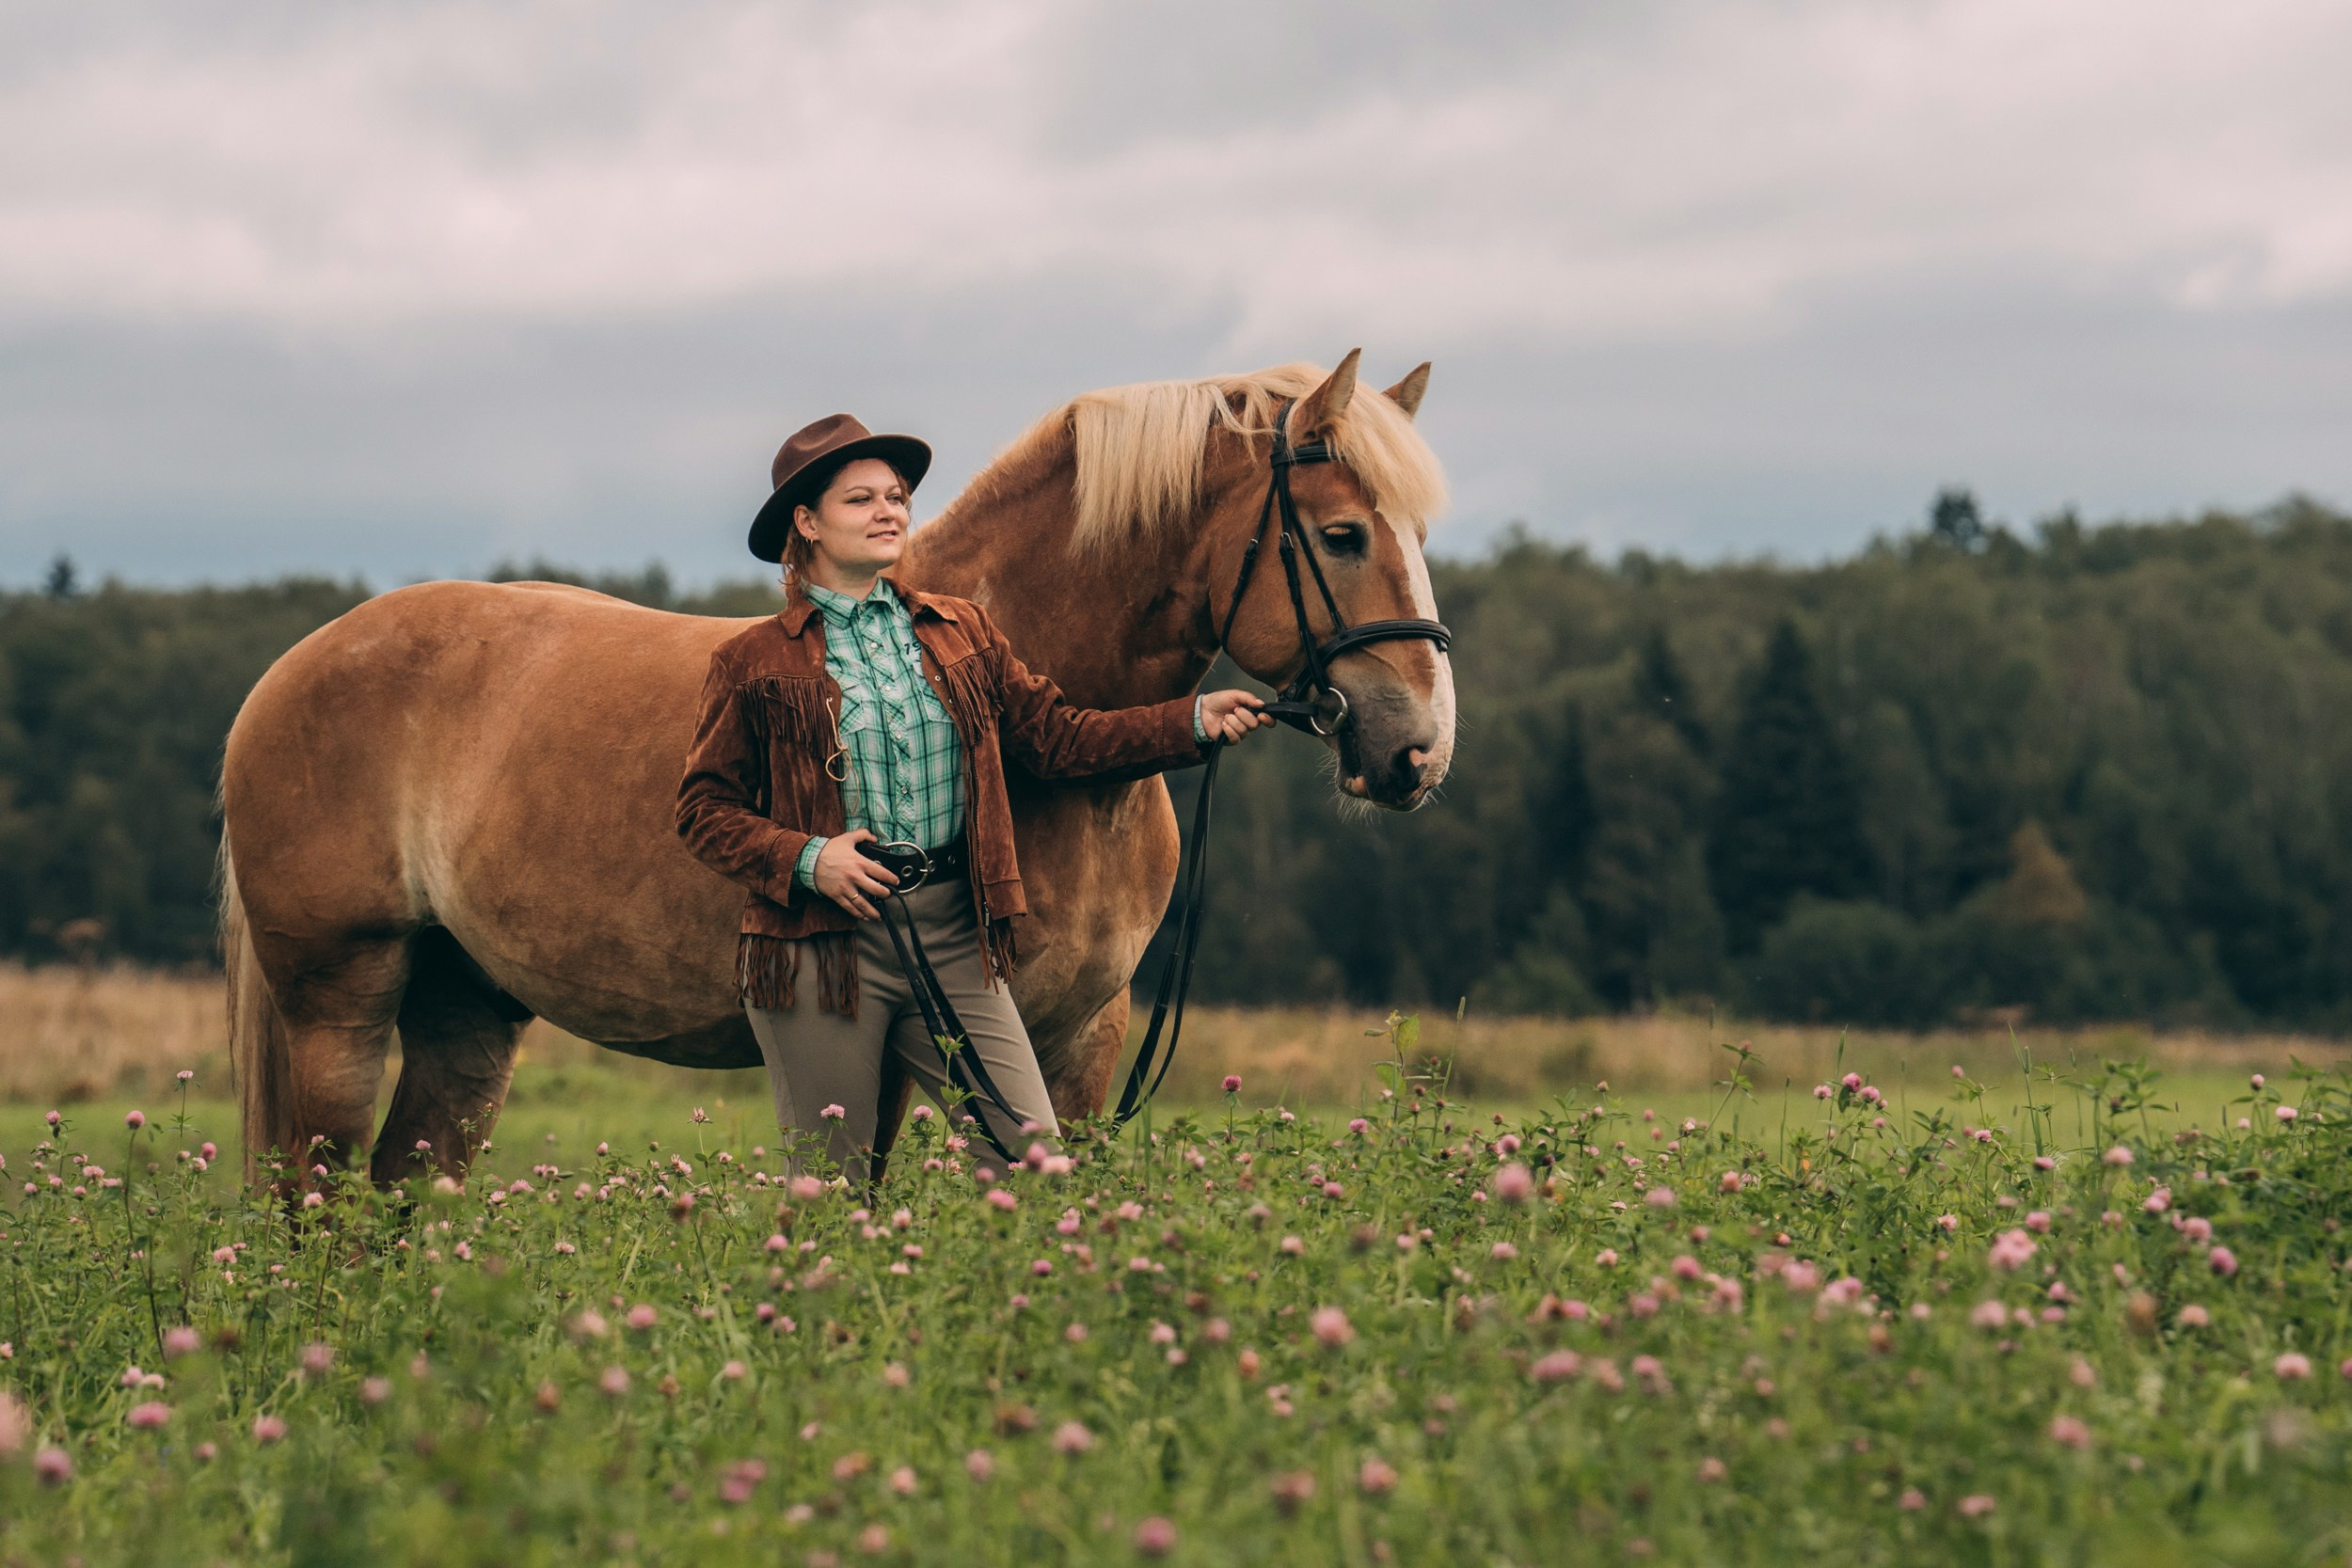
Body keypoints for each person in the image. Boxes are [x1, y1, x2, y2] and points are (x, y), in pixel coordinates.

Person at [676, 414, 1267, 1182]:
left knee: (1033, 1166)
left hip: (956, 934)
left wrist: (1189, 719)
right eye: (861, 499)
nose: (890, 510)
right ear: (807, 522)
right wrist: (809, 860)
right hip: (821, 946)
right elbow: (703, 810)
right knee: (829, 1194)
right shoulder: (750, 660)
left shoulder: (961, 633)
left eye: (896, 496)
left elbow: (1058, 738)